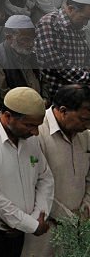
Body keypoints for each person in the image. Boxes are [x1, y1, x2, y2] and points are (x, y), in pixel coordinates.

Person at [0, 87, 53, 257]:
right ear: (7, 116)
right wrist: (28, 224)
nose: (35, 132)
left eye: (38, 126)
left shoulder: (30, 139)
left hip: (20, 234)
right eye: (30, 125)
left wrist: (36, 216)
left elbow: (45, 178)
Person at [29, 84, 90, 257]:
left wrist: (85, 207)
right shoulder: (36, 133)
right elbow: (32, 184)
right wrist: (67, 216)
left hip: (80, 224)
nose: (87, 125)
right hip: (45, 226)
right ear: (63, 111)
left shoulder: (85, 136)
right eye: (84, 119)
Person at [35, 0, 90, 101]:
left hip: (78, 90)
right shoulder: (50, 23)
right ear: (70, 9)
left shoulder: (79, 26)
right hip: (55, 93)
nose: (85, 23)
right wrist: (86, 77)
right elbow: (57, 64)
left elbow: (85, 58)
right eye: (84, 18)